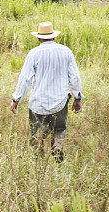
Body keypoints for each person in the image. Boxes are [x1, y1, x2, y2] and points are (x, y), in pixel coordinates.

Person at [10, 21, 83, 162]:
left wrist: (16, 99)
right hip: (60, 101)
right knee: (59, 128)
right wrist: (77, 98)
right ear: (54, 37)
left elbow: (25, 79)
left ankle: (37, 159)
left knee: (37, 132)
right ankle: (57, 146)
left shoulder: (33, 53)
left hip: (38, 102)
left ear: (38, 38)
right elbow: (74, 77)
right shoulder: (66, 51)